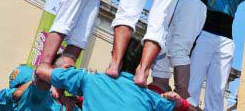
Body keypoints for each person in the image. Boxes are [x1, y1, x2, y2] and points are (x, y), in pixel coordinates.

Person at [36, 38, 197, 110]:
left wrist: (60, 80)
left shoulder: (89, 79)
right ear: (142, 65)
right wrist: (178, 102)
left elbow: (42, 71)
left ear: (116, 56)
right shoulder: (150, 97)